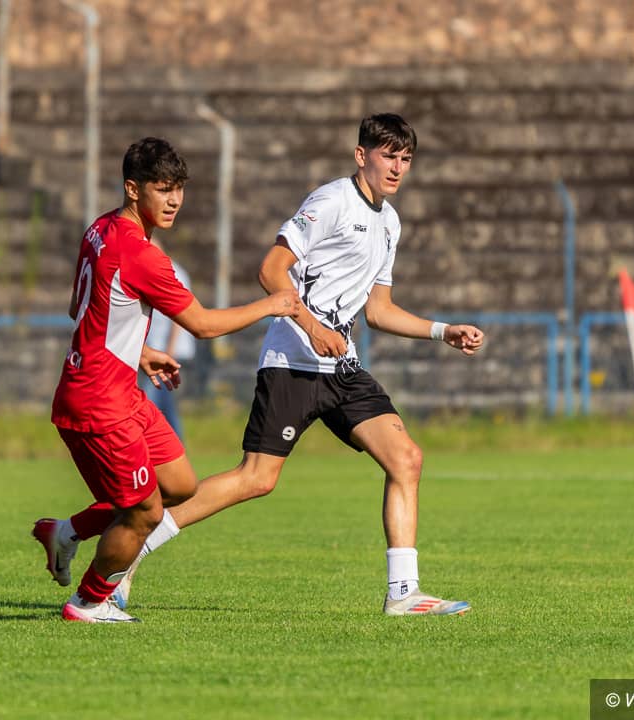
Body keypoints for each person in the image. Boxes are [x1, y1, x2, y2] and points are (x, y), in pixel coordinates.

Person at [112, 114, 485, 616]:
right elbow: (271, 270)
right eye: (388, 156)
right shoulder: (331, 202)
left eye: (405, 158)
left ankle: (403, 593)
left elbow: (378, 311)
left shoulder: (390, 223)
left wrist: (443, 331)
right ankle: (131, 550)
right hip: (292, 361)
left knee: (406, 459)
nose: (397, 167)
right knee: (256, 478)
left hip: (342, 367)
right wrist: (312, 328)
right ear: (362, 156)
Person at [31, 137, 300, 623]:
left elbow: (81, 310)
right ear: (133, 189)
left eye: (179, 188)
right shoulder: (143, 255)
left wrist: (138, 352)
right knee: (145, 512)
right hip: (99, 402)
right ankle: (89, 602)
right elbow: (204, 325)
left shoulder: (99, 229)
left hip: (118, 387)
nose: (174, 200)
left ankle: (65, 532)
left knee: (179, 484)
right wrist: (273, 304)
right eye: (162, 189)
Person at [139, 240, 196, 440]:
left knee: (150, 401)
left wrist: (169, 351)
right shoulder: (147, 271)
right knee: (165, 405)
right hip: (155, 350)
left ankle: (155, 443)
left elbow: (179, 318)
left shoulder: (175, 273)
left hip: (170, 352)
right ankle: (174, 443)